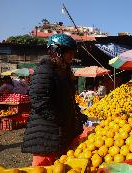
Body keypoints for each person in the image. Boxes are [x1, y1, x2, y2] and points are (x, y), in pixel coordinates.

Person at [21, 34, 88, 166]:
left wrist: (78, 115)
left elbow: (69, 101)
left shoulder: (63, 71)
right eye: (69, 52)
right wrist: (60, 119)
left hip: (60, 133)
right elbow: (38, 100)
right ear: (57, 51)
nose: (72, 56)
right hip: (46, 134)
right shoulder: (45, 69)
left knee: (59, 167)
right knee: (43, 167)